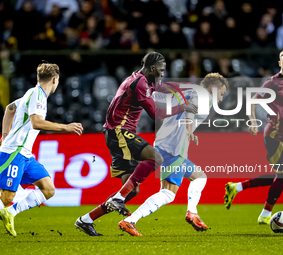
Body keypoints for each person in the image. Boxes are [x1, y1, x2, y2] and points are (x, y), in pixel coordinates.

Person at [75, 52, 198, 236]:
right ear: (150, 68)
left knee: (132, 191)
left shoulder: (144, 79)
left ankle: (86, 220)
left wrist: (185, 89)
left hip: (115, 133)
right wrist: (183, 107)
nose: (162, 73)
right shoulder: (140, 83)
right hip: (119, 131)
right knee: (155, 157)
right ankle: (118, 198)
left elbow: (162, 87)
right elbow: (156, 115)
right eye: (161, 69)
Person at [0, 62, 83, 242]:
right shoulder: (37, 96)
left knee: (48, 189)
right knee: (6, 196)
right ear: (55, 79)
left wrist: (4, 136)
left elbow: (9, 109)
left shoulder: (33, 93)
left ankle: (10, 212)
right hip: (14, 152)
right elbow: (36, 122)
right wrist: (65, 127)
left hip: (25, 154)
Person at [119, 73, 229, 236]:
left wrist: (149, 92)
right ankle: (130, 220)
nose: (220, 98)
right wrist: (190, 127)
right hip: (174, 148)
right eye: (221, 93)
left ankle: (192, 212)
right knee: (168, 194)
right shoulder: (205, 96)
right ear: (214, 88)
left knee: (199, 176)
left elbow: (161, 95)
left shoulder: (190, 90)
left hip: (165, 142)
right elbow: (191, 110)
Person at [224, 49, 283, 224]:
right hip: (273, 134)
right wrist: (252, 121)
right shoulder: (272, 83)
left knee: (281, 175)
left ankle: (236, 187)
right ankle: (265, 215)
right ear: (279, 63)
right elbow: (253, 100)